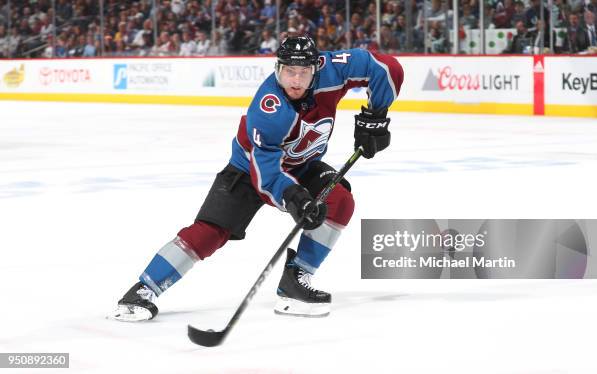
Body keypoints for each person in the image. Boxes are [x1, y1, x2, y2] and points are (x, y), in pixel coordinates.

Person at [111, 35, 404, 321]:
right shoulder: (269, 108)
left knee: (340, 202)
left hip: (302, 164)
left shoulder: (335, 69)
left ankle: (295, 281)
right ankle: (143, 289)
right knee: (210, 232)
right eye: (289, 71)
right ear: (278, 68)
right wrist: (295, 198)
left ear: (317, 68)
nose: (296, 80)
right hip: (249, 170)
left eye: (303, 72)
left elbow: (387, 68)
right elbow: (266, 176)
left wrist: (375, 117)